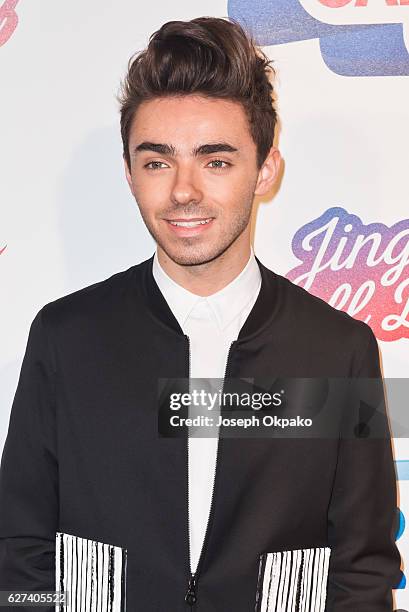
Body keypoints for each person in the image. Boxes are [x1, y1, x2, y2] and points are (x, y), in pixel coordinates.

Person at [0, 15, 401, 612]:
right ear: (130, 174)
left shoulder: (336, 350)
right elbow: (20, 548)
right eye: (158, 162)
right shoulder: (67, 338)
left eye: (216, 161)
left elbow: (362, 565)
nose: (184, 190)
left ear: (264, 171)